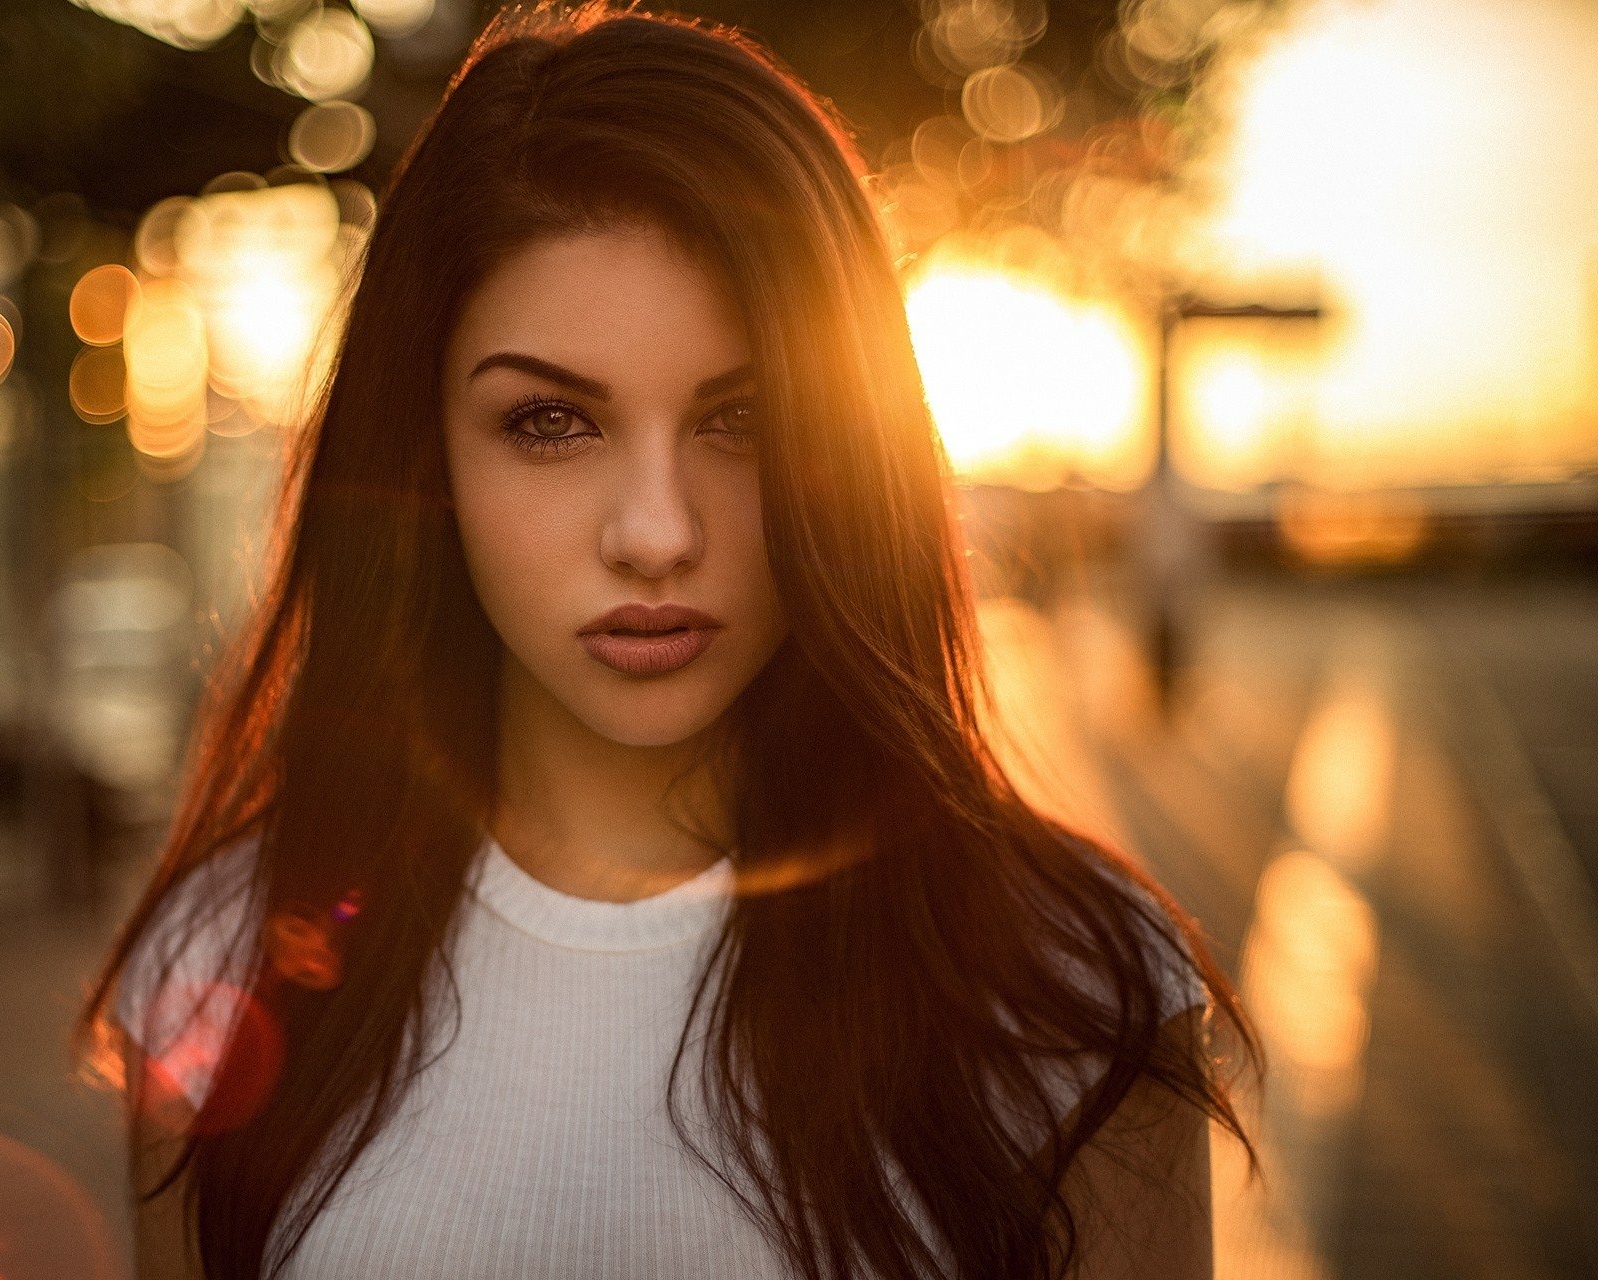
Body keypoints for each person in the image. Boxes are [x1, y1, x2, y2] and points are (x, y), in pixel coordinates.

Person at [75, 4, 1260, 1278]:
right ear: (424, 459)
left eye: (740, 419)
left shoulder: (1072, 993)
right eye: (549, 423)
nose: (656, 533)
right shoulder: (221, 971)